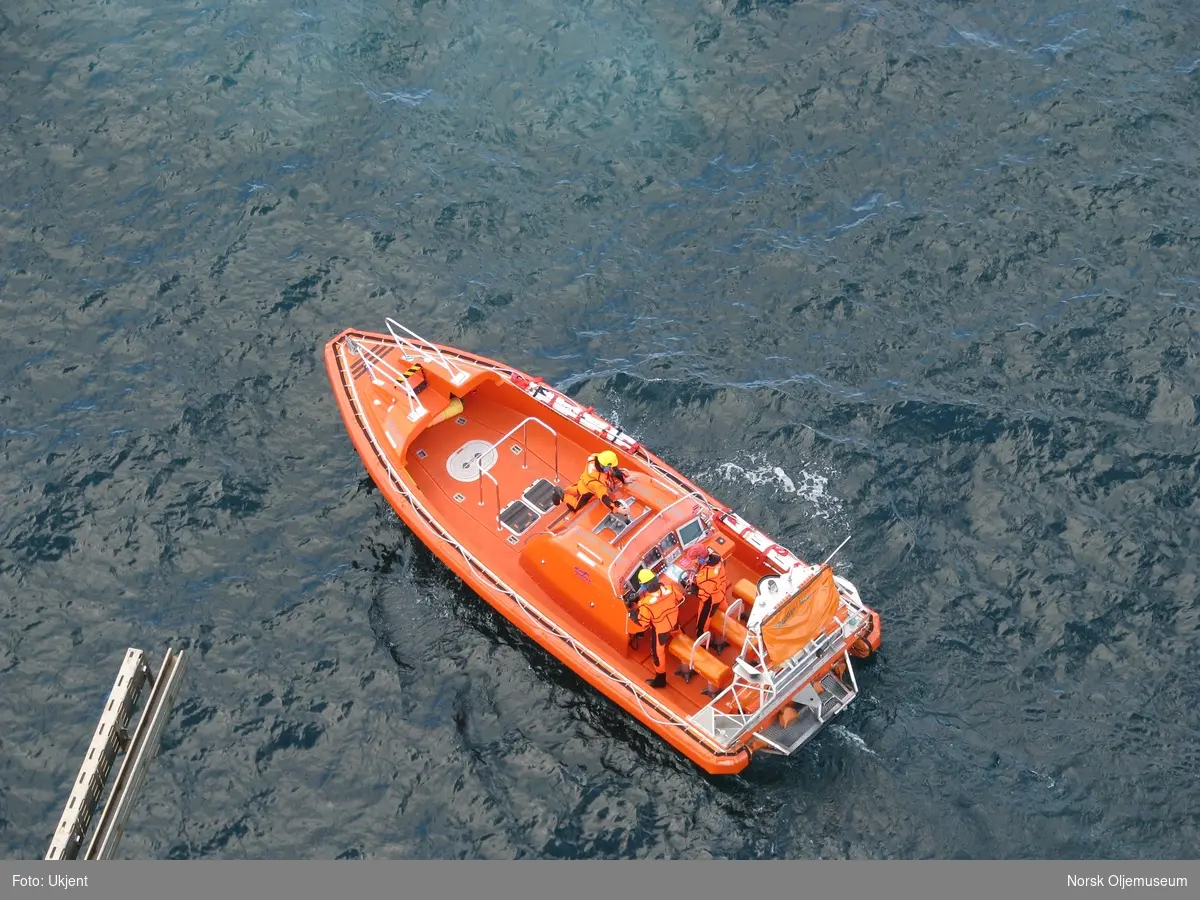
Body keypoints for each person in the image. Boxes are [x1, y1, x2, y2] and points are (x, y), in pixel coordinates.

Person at [630, 567, 680, 688]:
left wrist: (633, 614)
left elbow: (643, 623)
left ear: (644, 586)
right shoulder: (670, 589)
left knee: (658, 653)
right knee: (677, 633)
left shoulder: (645, 604)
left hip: (660, 630)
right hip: (674, 623)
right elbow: (679, 598)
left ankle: (660, 679)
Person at [561, 449, 628, 513]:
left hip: (582, 481)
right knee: (575, 507)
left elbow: (613, 467)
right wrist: (615, 508)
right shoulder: (599, 483)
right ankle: (562, 496)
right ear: (603, 466)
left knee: (571, 490)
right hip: (586, 492)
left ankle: (565, 491)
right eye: (609, 466)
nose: (610, 468)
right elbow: (604, 498)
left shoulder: (594, 457)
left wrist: (623, 480)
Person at [693, 547, 729, 640]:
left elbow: (704, 595)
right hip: (721, 589)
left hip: (711, 599)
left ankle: (703, 641)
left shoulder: (706, 576)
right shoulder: (718, 558)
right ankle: (727, 616)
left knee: (702, 623)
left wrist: (694, 590)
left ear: (700, 558)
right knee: (723, 606)